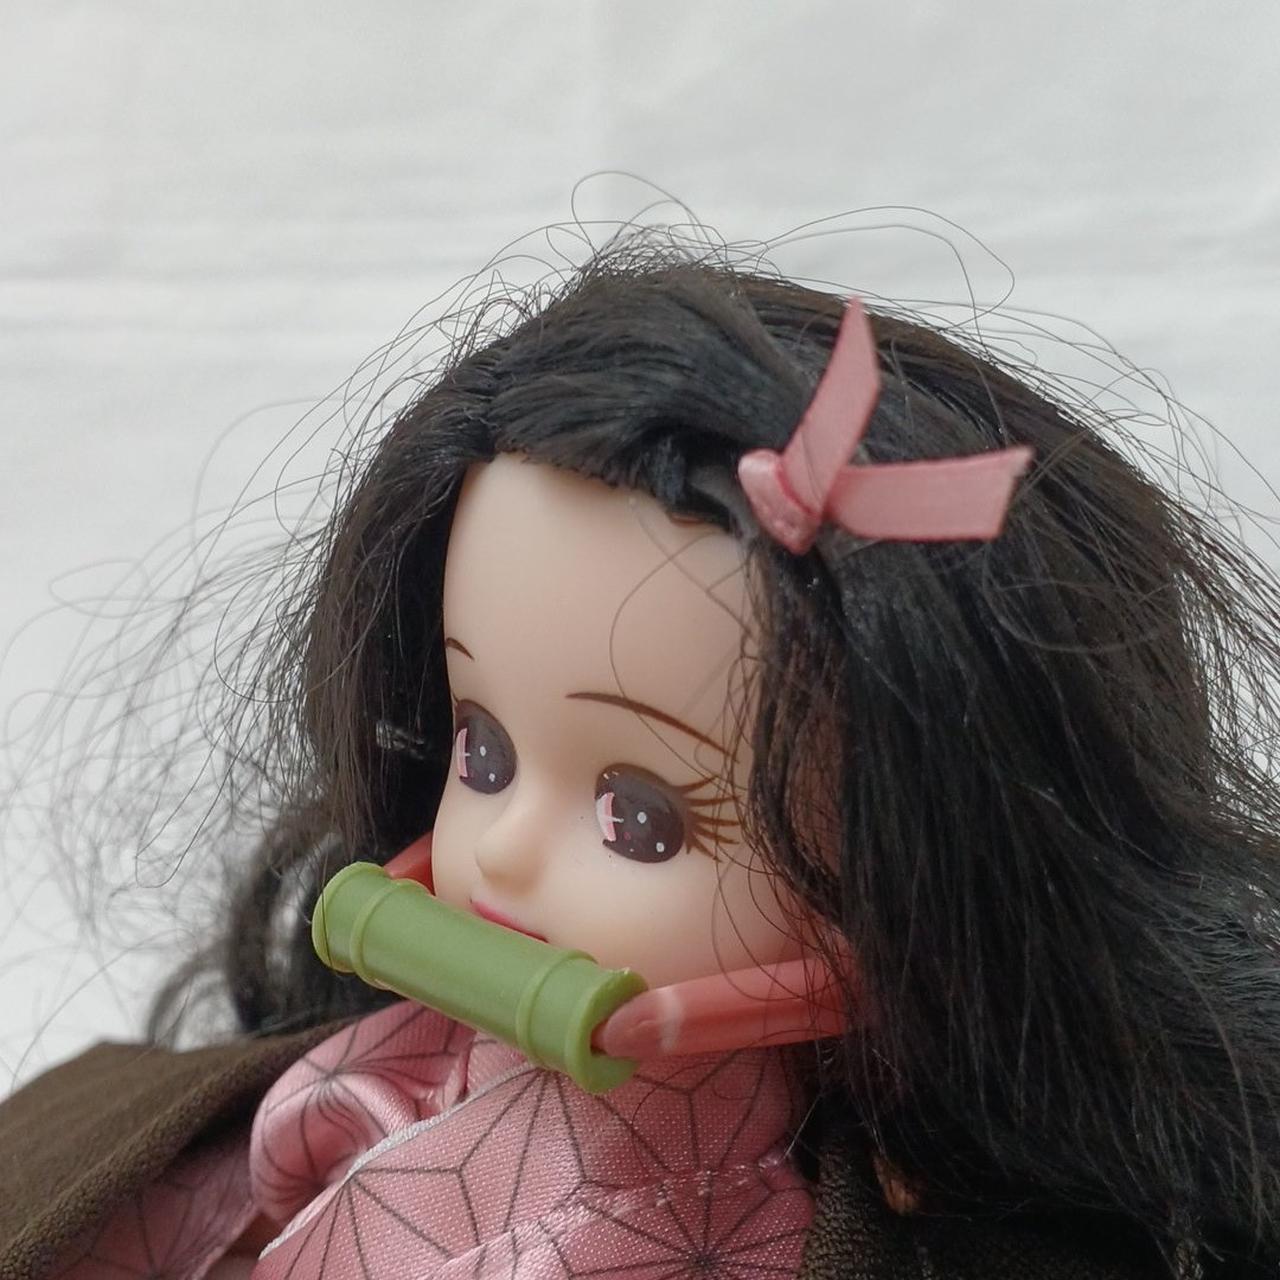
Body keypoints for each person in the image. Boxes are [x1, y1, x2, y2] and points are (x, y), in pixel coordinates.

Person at [2, 246, 1278, 1280]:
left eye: (642, 815)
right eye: (481, 748)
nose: (503, 845)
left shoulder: (741, 1222)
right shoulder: (404, 1040)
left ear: (914, 882)